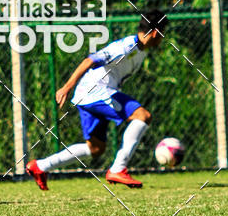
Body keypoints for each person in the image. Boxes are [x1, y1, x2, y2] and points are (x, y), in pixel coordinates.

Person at [26, 10, 166, 190]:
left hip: (89, 95)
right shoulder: (126, 46)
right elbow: (90, 60)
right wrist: (67, 86)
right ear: (155, 33)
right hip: (97, 92)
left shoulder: (141, 50)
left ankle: (40, 166)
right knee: (143, 116)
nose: (163, 39)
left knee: (95, 148)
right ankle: (118, 168)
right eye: (163, 34)